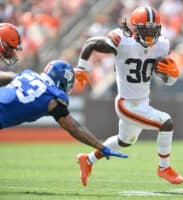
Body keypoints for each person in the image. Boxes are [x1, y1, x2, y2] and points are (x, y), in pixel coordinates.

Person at [75, 6, 183, 186]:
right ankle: (164, 168)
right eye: (145, 30)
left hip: (142, 102)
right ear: (134, 29)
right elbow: (91, 43)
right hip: (127, 104)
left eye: (153, 30)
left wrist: (172, 75)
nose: (150, 35)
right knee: (166, 122)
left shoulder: (162, 45)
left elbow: (167, 80)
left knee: (124, 142)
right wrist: (81, 68)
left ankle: (88, 160)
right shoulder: (122, 41)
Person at [0, 60, 128, 180]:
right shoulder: (53, 97)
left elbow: (9, 76)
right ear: (61, 82)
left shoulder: (28, 74)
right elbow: (74, 128)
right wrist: (101, 147)